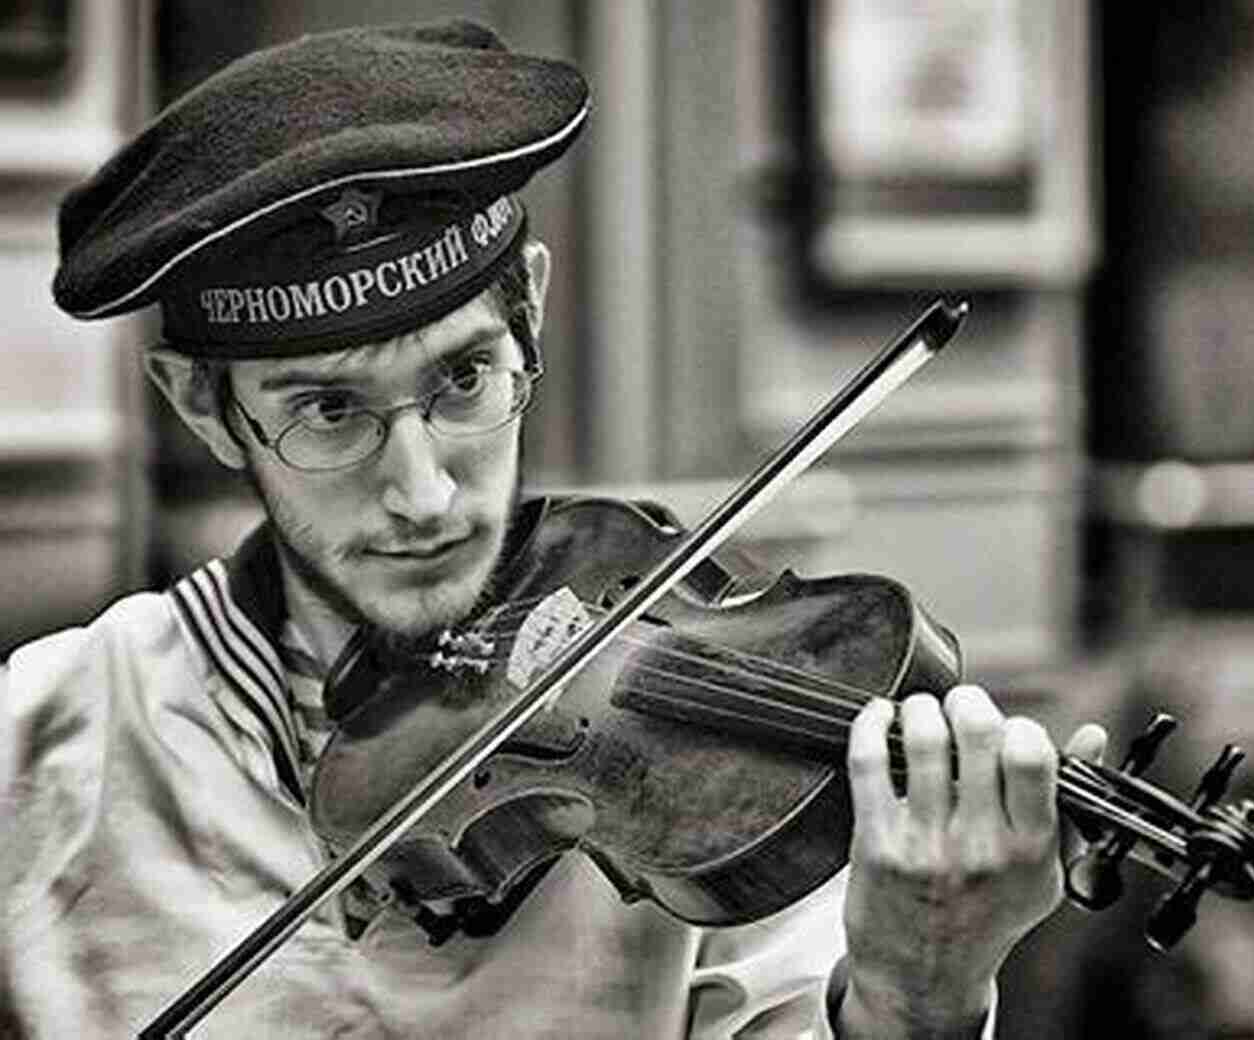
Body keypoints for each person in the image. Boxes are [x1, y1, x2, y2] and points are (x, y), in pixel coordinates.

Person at [0, 20, 1106, 1039]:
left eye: (466, 377)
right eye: (328, 411)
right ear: (204, 405)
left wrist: (914, 997)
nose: (426, 492)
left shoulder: (705, 782)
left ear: (529, 305)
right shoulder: (47, 743)